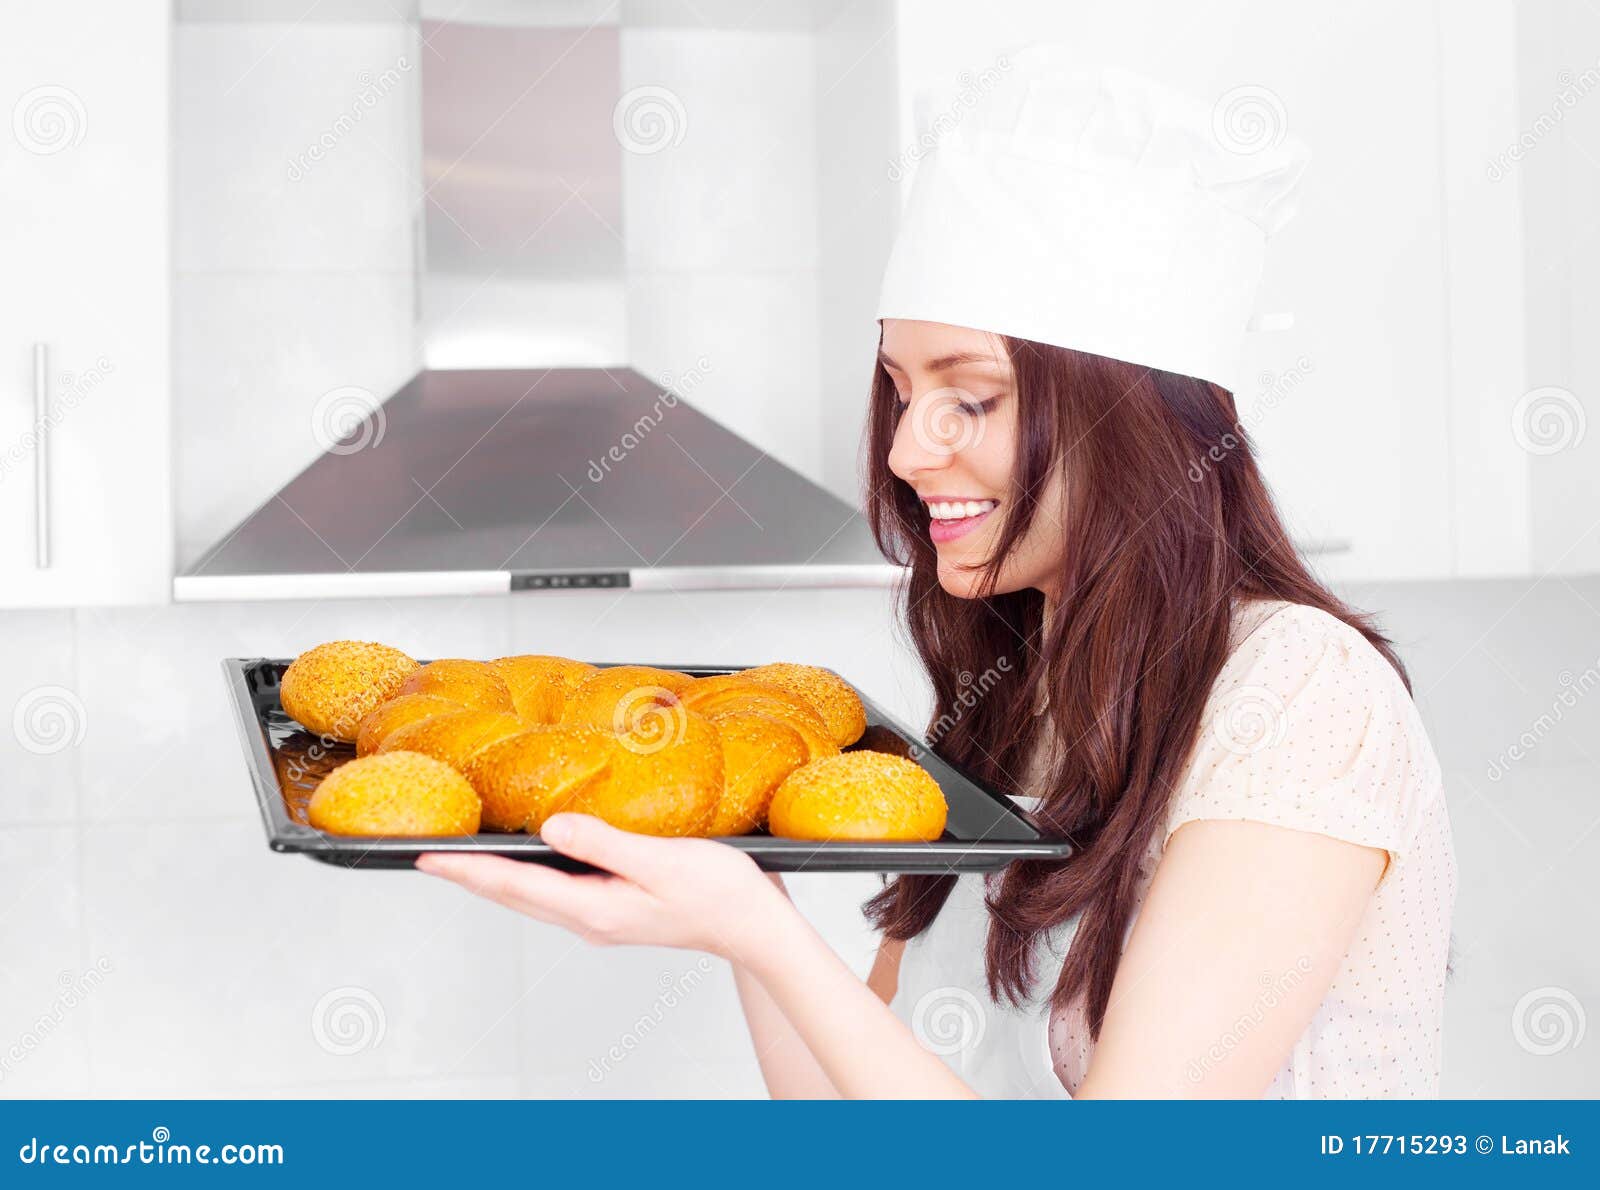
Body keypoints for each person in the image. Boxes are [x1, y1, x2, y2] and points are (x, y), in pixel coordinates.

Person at [419, 49, 1456, 1099]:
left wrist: (760, 937)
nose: (908, 451)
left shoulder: (1302, 697)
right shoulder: (1020, 685)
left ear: (1136, 423)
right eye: (901, 389)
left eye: (973, 397)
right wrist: (751, 909)